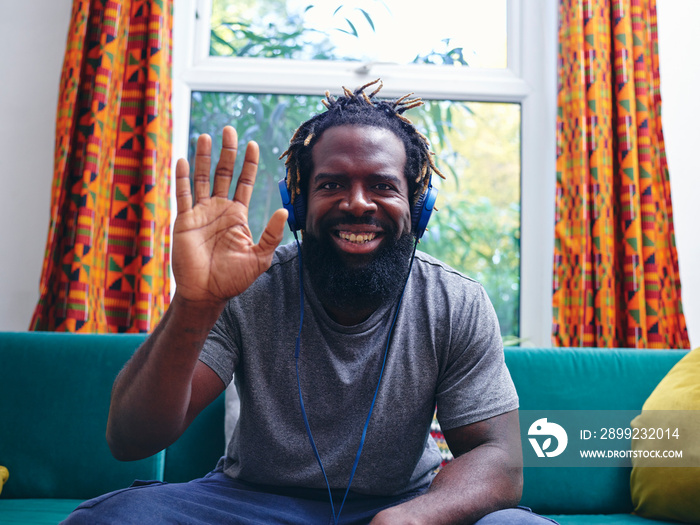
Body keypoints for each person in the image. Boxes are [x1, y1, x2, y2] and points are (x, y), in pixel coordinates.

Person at [63, 80, 557, 525]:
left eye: (383, 186)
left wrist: (416, 518)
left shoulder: (455, 300)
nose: (358, 202)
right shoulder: (247, 287)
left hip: (401, 505)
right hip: (250, 501)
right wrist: (196, 304)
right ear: (299, 203)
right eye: (332, 184)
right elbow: (130, 440)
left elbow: (500, 456)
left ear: (418, 207)